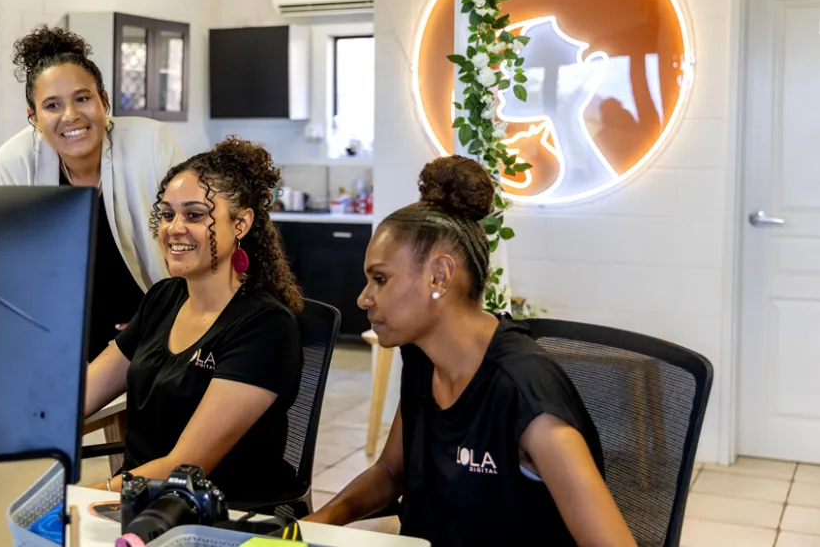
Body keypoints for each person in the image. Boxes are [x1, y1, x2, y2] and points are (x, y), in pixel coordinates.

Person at [306, 156, 637, 547]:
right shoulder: (421, 358)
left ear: (439, 276)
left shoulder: (523, 390)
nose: (364, 298)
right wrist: (314, 524)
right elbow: (392, 472)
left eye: (380, 279)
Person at [82, 137, 303, 501]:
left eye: (195, 215)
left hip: (212, 516)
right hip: (138, 501)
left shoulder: (265, 328)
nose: (174, 228)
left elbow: (185, 466)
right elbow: (84, 395)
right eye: (168, 214)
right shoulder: (163, 298)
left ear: (241, 223)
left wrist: (82, 497)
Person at [0, 26, 183, 362]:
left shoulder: (148, 144)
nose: (71, 116)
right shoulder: (16, 161)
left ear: (104, 102)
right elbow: (27, 265)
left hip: (154, 337)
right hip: (67, 340)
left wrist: (162, 323)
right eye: (52, 105)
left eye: (82, 98)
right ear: (34, 118)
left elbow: (191, 245)